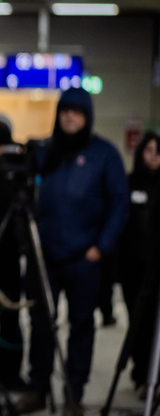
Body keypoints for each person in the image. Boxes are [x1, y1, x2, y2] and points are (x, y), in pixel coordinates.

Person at [15, 87, 129, 416]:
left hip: (84, 259)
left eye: (77, 112)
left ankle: (74, 394)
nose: (70, 117)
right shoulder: (46, 153)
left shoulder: (104, 155)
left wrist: (101, 246)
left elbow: (119, 204)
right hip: (44, 258)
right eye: (65, 110)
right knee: (40, 324)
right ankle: (37, 388)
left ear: (87, 116)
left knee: (81, 326)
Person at [0, 115, 28, 391]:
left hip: (2, 251)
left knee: (8, 314)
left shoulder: (1, 169)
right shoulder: (0, 168)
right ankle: (6, 369)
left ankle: (8, 371)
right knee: (7, 317)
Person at [117, 131, 160, 398]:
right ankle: (142, 374)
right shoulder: (129, 182)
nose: (154, 156)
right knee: (138, 323)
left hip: (157, 268)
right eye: (149, 150)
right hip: (133, 267)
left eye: (158, 151)